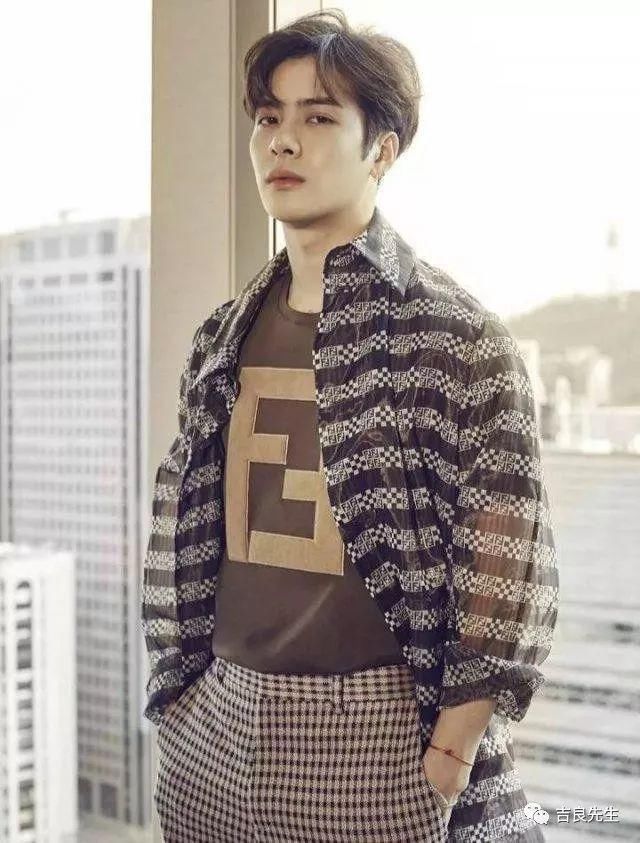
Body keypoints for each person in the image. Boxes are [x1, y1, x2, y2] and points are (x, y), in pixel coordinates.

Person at [142, 9, 559, 842]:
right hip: (213, 729)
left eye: (319, 117)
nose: (282, 140)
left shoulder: (457, 336)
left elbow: (507, 561)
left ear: (382, 150)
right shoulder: (221, 335)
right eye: (269, 117)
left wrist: (451, 749)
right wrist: (184, 702)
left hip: (377, 733)